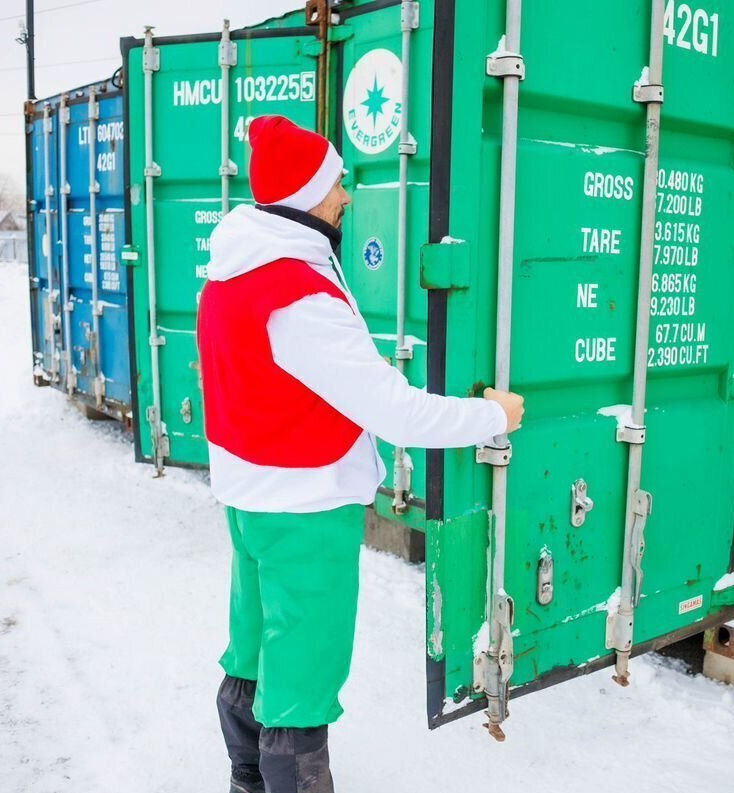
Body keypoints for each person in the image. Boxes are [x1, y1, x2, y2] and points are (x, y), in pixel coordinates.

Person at [196, 115, 524, 793]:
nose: (347, 194)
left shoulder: (233, 272)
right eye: (336, 182)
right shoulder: (295, 293)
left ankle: (245, 782)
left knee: (253, 651)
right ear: (307, 194)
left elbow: (266, 379)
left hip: (254, 504)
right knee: (302, 685)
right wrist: (495, 415)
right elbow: (395, 411)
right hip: (306, 512)